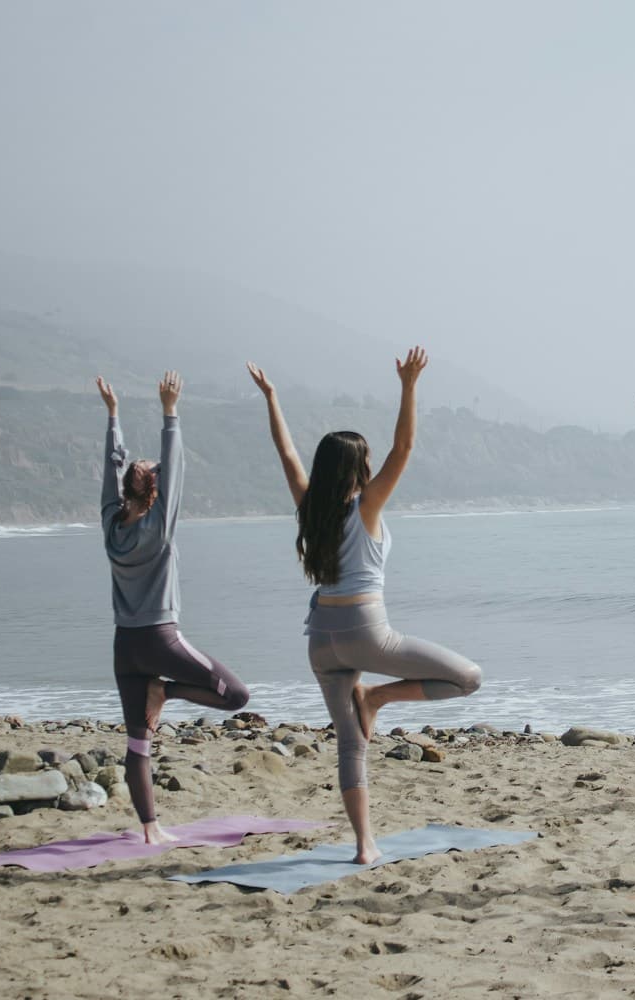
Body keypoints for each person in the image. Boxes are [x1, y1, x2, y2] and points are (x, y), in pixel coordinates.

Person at [248, 350, 482, 865]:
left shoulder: (310, 508)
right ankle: (376, 697)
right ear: (359, 467)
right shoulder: (366, 506)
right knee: (468, 678)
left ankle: (364, 846)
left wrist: (271, 398)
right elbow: (405, 447)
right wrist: (408, 385)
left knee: (349, 746)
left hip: (320, 642)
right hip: (365, 632)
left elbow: (286, 454)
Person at [98, 371, 250, 845]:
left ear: (126, 491)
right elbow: (175, 464)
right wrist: (170, 412)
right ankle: (167, 693)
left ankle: (150, 829)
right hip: (162, 641)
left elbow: (111, 467)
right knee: (236, 696)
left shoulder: (110, 523)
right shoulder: (160, 526)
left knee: (137, 742)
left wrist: (114, 417)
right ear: (156, 493)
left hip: (126, 647)